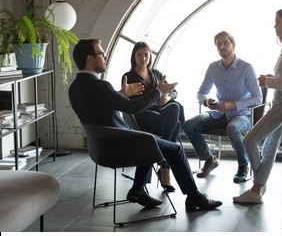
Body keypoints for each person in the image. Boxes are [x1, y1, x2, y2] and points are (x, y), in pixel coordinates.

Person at [69, 38, 222, 211]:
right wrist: (158, 91)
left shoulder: (75, 87)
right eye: (101, 53)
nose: (105, 57)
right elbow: (133, 107)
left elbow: (99, 106)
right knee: (174, 149)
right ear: (90, 58)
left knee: (154, 136)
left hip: (100, 147)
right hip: (118, 144)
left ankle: (138, 189)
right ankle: (193, 196)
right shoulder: (100, 86)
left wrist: (120, 94)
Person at [233, 7, 282, 203]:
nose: (275, 25)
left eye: (278, 22)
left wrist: (268, 81)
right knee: (269, 149)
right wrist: (272, 78)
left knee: (249, 140)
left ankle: (257, 180)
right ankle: (256, 191)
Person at [183, 31, 262, 183]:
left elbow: (258, 98)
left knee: (232, 129)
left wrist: (233, 105)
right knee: (188, 125)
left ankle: (243, 165)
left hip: (242, 115)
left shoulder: (246, 67)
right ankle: (209, 159)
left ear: (233, 45)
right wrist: (206, 102)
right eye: (218, 44)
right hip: (218, 113)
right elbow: (201, 93)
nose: (222, 46)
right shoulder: (213, 67)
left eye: (225, 42)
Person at [122, 41, 185, 193]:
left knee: (175, 106)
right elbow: (133, 102)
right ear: (134, 56)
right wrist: (156, 99)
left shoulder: (156, 73)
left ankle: (162, 157)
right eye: (139, 55)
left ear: (150, 56)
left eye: (146, 54)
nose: (143, 58)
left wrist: (167, 97)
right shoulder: (128, 76)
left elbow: (172, 90)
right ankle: (165, 166)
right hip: (142, 114)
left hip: (160, 113)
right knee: (175, 125)